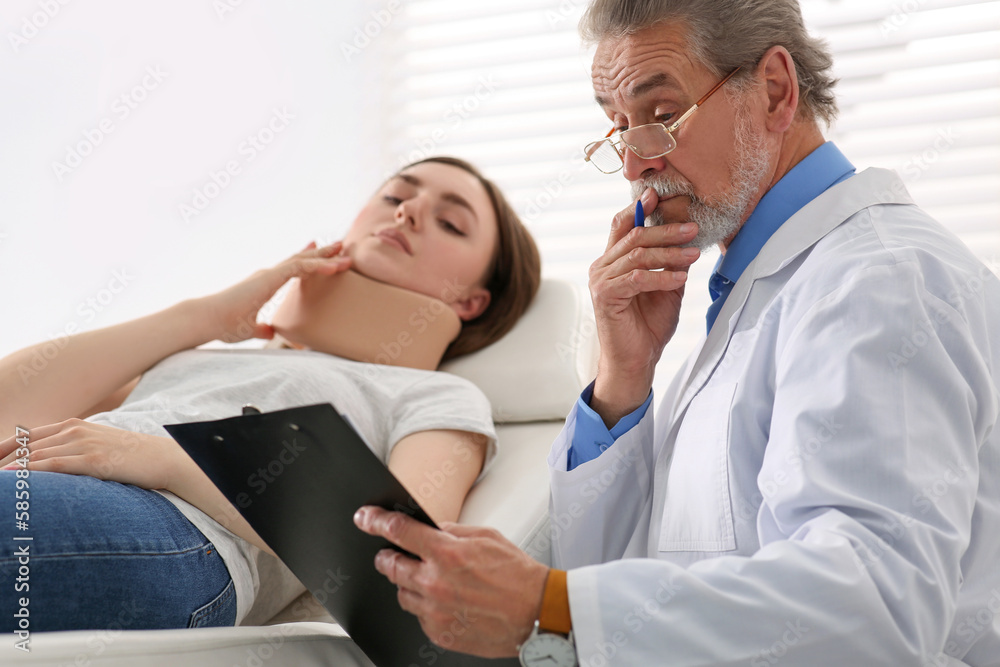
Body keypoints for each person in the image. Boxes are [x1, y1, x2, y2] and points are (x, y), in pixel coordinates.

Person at [354, 2, 1000, 665]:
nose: (634, 166)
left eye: (661, 116)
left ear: (775, 90)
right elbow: (625, 593)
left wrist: (549, 605)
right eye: (618, 129)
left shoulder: (880, 281)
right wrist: (623, 380)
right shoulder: (744, 307)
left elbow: (874, 609)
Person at [0, 156, 541, 631]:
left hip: (185, 532)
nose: (409, 211)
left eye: (450, 223)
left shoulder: (435, 393)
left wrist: (163, 458)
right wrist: (207, 317)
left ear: (471, 301)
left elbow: (403, 561)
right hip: (63, 486)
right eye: (395, 196)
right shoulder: (203, 359)